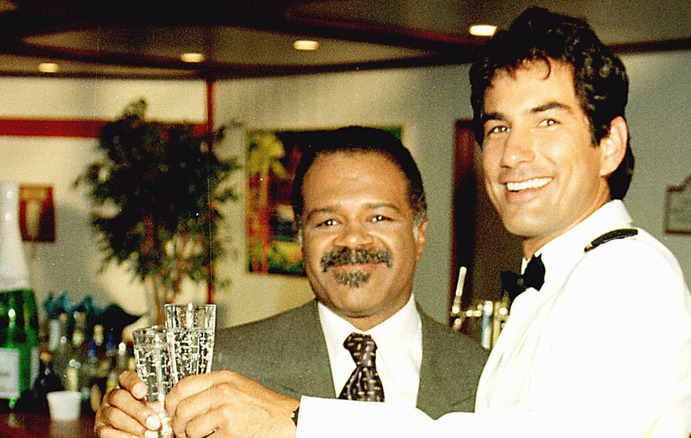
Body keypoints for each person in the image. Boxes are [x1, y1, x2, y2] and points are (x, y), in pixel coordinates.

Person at [170, 7, 691, 438]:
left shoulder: (629, 275)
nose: (515, 153)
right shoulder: (558, 281)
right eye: (498, 127)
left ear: (609, 144)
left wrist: (295, 421)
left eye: (547, 120)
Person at [93, 126, 489, 438]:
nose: (352, 239)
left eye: (379, 218)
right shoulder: (217, 368)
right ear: (300, 240)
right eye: (327, 222)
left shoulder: (488, 377)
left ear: (420, 234)